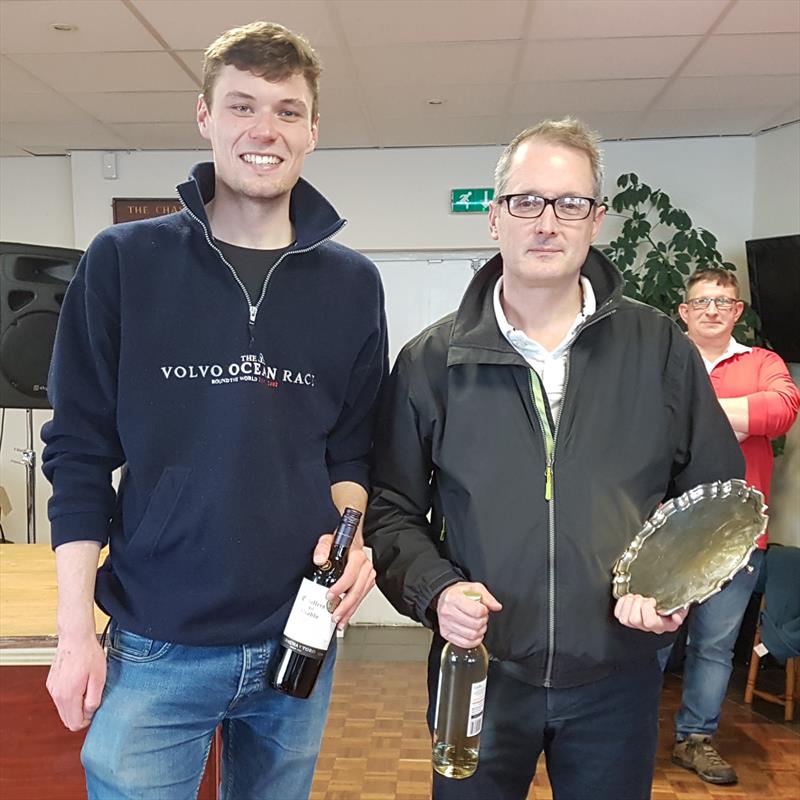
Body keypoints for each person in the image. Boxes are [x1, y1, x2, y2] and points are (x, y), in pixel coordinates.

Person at [42, 21, 387, 800]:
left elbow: (350, 452)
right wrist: (73, 633)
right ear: (205, 116)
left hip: (297, 637)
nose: (264, 130)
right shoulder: (124, 262)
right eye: (242, 106)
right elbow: (80, 453)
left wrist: (350, 535)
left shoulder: (353, 284)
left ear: (313, 130)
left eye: (287, 111)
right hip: (158, 641)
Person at [364, 118, 745, 800]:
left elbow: (718, 494)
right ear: (495, 217)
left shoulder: (658, 349)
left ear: (595, 219)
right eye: (526, 200)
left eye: (570, 203)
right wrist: (437, 591)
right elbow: (390, 509)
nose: (547, 221)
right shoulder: (431, 361)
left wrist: (672, 589)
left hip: (616, 680)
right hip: (479, 671)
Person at [662, 267, 800, 785]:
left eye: (722, 301)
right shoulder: (664, 360)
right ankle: (621, 729)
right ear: (684, 312)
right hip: (665, 531)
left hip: (737, 537)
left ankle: (694, 739)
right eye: (701, 303)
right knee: (645, 639)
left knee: (714, 645)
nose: (712, 310)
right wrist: (741, 417)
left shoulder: (761, 361)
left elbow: (782, 410)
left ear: (738, 310)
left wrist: (700, 414)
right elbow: (647, 422)